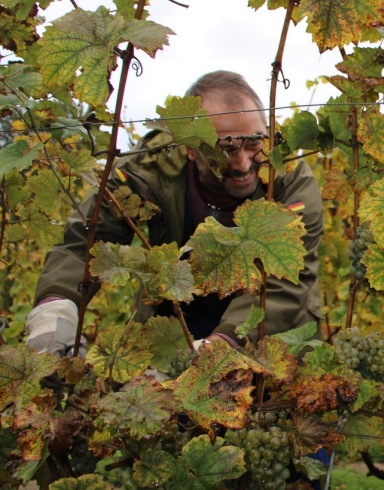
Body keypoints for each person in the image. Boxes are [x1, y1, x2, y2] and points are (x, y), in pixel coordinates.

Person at [25, 70, 323, 356]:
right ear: (190, 149)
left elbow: (284, 280)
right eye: (225, 150)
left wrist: (222, 347)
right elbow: (86, 242)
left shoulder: (290, 178)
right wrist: (55, 309)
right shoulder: (147, 170)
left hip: (266, 335)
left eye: (254, 144)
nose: (244, 164)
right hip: (171, 332)